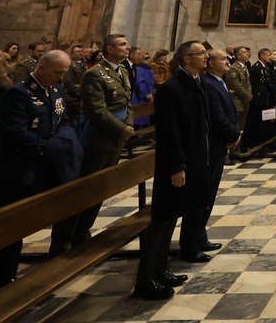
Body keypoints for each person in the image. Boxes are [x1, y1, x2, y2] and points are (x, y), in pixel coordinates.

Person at [0, 50, 80, 308]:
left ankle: (2, 283)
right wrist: (44, 148)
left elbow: (64, 121)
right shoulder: (18, 93)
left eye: (64, 72)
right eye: (58, 72)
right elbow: (12, 130)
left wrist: (58, 143)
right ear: (42, 68)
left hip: (40, 170)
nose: (62, 77)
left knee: (18, 229)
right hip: (16, 172)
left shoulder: (54, 92)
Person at [132, 40, 211, 300]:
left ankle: (161, 269)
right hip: (174, 165)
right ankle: (146, 280)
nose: (206, 57)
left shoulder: (195, 84)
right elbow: (169, 133)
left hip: (191, 161)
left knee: (173, 217)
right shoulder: (172, 89)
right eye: (201, 54)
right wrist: (177, 166)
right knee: (162, 219)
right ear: (187, 59)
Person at [49, 33, 133, 256]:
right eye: (123, 44)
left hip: (116, 137)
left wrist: (129, 125)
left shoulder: (122, 71)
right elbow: (96, 110)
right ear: (109, 49)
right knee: (85, 187)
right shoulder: (95, 73)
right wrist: (121, 128)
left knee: (101, 187)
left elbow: (127, 101)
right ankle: (64, 238)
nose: (128, 47)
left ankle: (82, 231)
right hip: (97, 136)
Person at [185, 49, 239, 257]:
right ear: (211, 63)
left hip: (218, 145)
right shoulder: (209, 84)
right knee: (202, 194)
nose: (228, 61)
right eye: (223, 59)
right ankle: (191, 243)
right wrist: (233, 134)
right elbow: (216, 115)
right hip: (211, 146)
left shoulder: (218, 82)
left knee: (209, 193)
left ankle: (200, 236)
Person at [225, 46, 252, 131]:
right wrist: (248, 96)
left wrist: (248, 95)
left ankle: (240, 143)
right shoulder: (233, 68)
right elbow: (236, 86)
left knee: (242, 128)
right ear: (239, 56)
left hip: (245, 101)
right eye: (244, 52)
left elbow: (248, 83)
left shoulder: (245, 67)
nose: (247, 53)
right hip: (237, 102)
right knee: (237, 127)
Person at [129, 48, 156, 128]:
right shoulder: (138, 69)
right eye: (145, 58)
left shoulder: (148, 69)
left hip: (149, 96)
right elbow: (140, 83)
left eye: (148, 58)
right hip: (140, 97)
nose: (147, 60)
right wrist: (146, 94)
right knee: (137, 119)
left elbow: (151, 83)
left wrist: (152, 92)